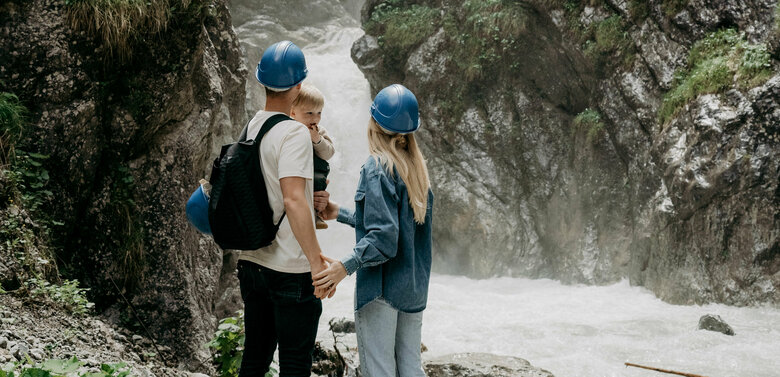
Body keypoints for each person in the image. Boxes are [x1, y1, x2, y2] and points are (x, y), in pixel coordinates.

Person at [313, 84, 433, 377]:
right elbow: (394, 227)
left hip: (382, 289)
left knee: (379, 371)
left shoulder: (377, 167)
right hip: (413, 288)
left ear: (374, 125)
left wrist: (344, 267)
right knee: (410, 369)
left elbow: (383, 238)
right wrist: (338, 212)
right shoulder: (416, 169)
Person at [237, 40, 333, 377]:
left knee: (255, 358)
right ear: (298, 85)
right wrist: (316, 260)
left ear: (261, 82)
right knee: (294, 363)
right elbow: (293, 199)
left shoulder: (252, 126)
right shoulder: (293, 132)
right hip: (289, 269)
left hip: (252, 262)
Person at [290, 83, 335, 230]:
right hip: (296, 174)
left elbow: (328, 153)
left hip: (315, 172)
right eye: (309, 113)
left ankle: (316, 215)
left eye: (319, 113)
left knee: (319, 183)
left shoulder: (320, 131)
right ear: (293, 112)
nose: (315, 118)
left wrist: (317, 139)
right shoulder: (288, 129)